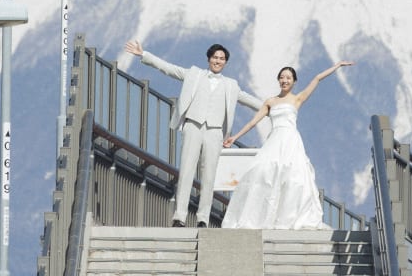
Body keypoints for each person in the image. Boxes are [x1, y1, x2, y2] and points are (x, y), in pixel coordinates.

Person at [124, 39, 261, 227]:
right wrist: (144, 55)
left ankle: (203, 218)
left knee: (209, 175)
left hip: (214, 132)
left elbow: (249, 100)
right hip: (193, 126)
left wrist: (275, 107)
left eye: (221, 59)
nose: (218, 61)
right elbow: (169, 69)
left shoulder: (231, 85)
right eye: (215, 57)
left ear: (225, 63)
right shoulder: (194, 74)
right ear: (208, 59)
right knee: (186, 171)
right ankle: (179, 216)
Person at [221, 60, 354, 230]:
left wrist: (337, 66)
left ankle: (288, 217)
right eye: (282, 77)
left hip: (291, 141)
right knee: (262, 172)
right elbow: (253, 122)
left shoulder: (297, 99)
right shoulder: (270, 102)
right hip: (275, 140)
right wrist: (235, 137)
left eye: (288, 78)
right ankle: (261, 216)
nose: (285, 80)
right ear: (278, 80)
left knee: (294, 178)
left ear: (294, 81)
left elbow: (317, 78)